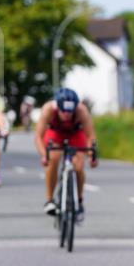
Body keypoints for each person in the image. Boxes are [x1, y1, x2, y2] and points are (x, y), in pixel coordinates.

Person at [34, 87, 98, 221]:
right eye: (63, 111)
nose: (67, 114)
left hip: (75, 134)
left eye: (70, 111)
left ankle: (79, 201)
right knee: (53, 158)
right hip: (55, 133)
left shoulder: (81, 111)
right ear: (57, 107)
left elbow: (90, 136)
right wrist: (44, 155)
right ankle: (50, 200)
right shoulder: (48, 109)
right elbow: (38, 137)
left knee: (78, 166)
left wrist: (92, 156)